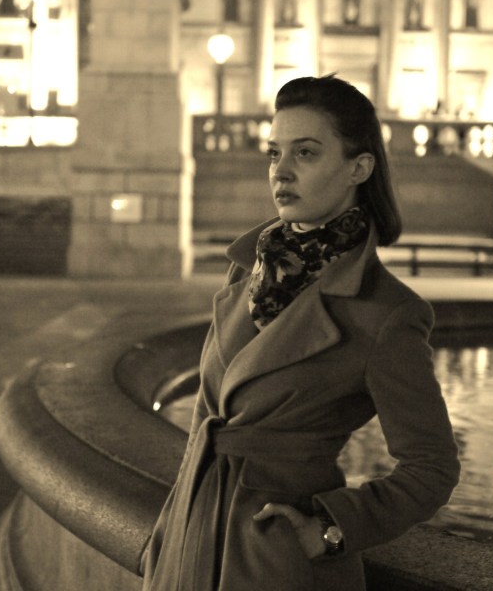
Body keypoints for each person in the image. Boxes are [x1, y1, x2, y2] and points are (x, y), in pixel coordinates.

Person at [141, 75, 460, 590]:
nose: (281, 172)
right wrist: (167, 534)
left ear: (359, 167)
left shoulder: (387, 312)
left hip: (277, 563)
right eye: (274, 153)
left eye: (306, 154)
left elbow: (432, 467)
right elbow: (208, 412)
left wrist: (330, 530)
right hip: (191, 539)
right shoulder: (250, 269)